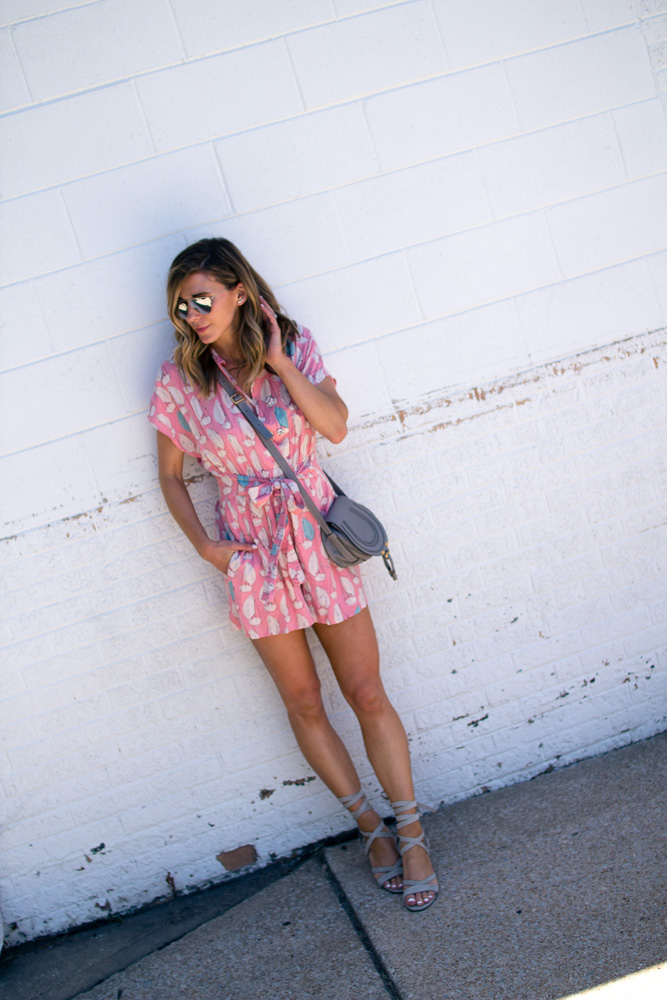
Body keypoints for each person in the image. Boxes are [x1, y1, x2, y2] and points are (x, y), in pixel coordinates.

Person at [148, 238, 438, 911]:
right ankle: (370, 827)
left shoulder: (295, 346)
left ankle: (413, 829)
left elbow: (334, 427)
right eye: (181, 306)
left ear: (239, 290)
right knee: (304, 701)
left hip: (314, 532)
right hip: (249, 550)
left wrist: (279, 361)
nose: (192, 315)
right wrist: (204, 547)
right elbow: (167, 475)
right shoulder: (179, 380)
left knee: (365, 690)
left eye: (202, 299)